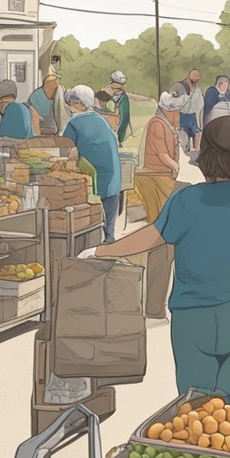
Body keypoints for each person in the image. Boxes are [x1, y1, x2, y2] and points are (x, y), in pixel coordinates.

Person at [94, 115, 230, 398]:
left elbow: (150, 237)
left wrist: (101, 250)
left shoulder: (186, 199)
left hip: (192, 317)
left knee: (194, 411)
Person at [134, 90, 186, 319]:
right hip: (154, 179)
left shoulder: (163, 123)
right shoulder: (158, 124)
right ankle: (154, 307)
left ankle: (155, 306)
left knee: (164, 240)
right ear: (170, 110)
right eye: (176, 111)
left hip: (160, 179)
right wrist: (175, 166)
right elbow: (163, 155)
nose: (179, 116)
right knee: (162, 241)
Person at [61, 84, 123, 243]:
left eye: (72, 100)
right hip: (113, 179)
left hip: (94, 182)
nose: (69, 104)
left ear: (77, 102)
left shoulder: (74, 124)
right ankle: (108, 244)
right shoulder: (100, 120)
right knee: (108, 230)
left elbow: (65, 151)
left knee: (90, 226)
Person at [171, 69, 205, 155]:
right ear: (189, 76)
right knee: (182, 136)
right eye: (194, 75)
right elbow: (172, 96)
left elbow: (200, 105)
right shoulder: (180, 86)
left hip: (193, 116)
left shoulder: (198, 90)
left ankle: (196, 153)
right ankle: (183, 154)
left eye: (197, 76)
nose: (196, 77)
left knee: (196, 133)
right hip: (181, 116)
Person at [104, 70, 131, 144]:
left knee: (122, 119)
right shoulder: (106, 90)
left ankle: (118, 138)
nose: (122, 85)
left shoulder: (122, 95)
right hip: (110, 113)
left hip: (115, 112)